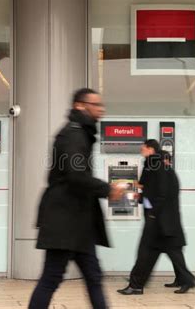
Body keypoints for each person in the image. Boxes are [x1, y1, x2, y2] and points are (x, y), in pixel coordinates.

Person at [29, 88, 124, 309]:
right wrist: (107, 189)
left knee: (93, 276)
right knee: (52, 278)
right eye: (96, 105)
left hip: (78, 221)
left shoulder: (80, 133)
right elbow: (76, 175)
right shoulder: (74, 135)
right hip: (65, 220)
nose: (101, 110)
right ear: (80, 106)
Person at [117, 141, 195, 296]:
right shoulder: (157, 166)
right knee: (164, 253)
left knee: (147, 253)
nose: (141, 150)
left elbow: (161, 193)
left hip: (159, 221)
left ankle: (137, 284)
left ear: (151, 149)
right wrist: (141, 196)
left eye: (144, 148)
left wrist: (153, 212)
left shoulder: (157, 165)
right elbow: (152, 189)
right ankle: (140, 284)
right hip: (162, 221)